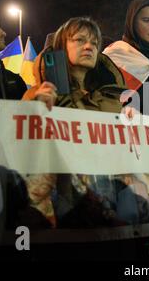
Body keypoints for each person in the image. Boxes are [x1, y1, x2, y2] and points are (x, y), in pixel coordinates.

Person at [21, 17, 127, 228]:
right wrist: (35, 108)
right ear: (61, 47)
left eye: (95, 43)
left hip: (112, 209)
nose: (89, 46)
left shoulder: (112, 99)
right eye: (80, 40)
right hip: (65, 213)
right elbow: (23, 149)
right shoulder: (39, 94)